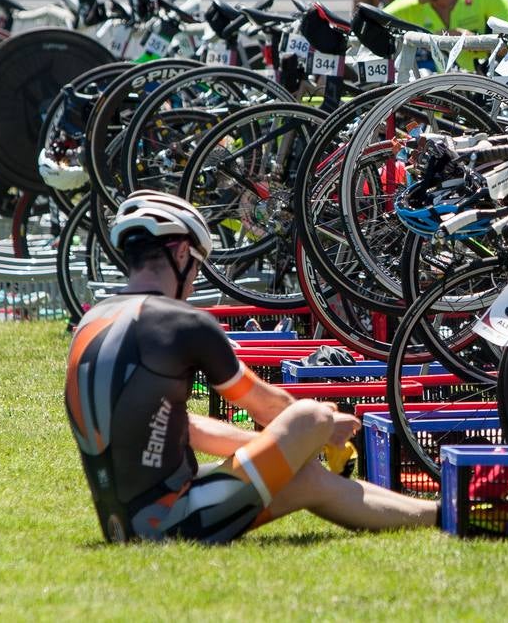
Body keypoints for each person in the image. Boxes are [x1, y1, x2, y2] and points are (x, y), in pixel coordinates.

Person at [65, 190, 437, 544]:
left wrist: (284, 451)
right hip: (173, 519)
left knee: (306, 479)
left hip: (129, 522)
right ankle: (437, 510)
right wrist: (323, 426)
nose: (193, 283)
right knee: (310, 415)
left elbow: (186, 429)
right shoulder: (181, 322)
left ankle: (441, 515)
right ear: (180, 253)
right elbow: (269, 407)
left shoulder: (93, 321)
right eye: (196, 266)